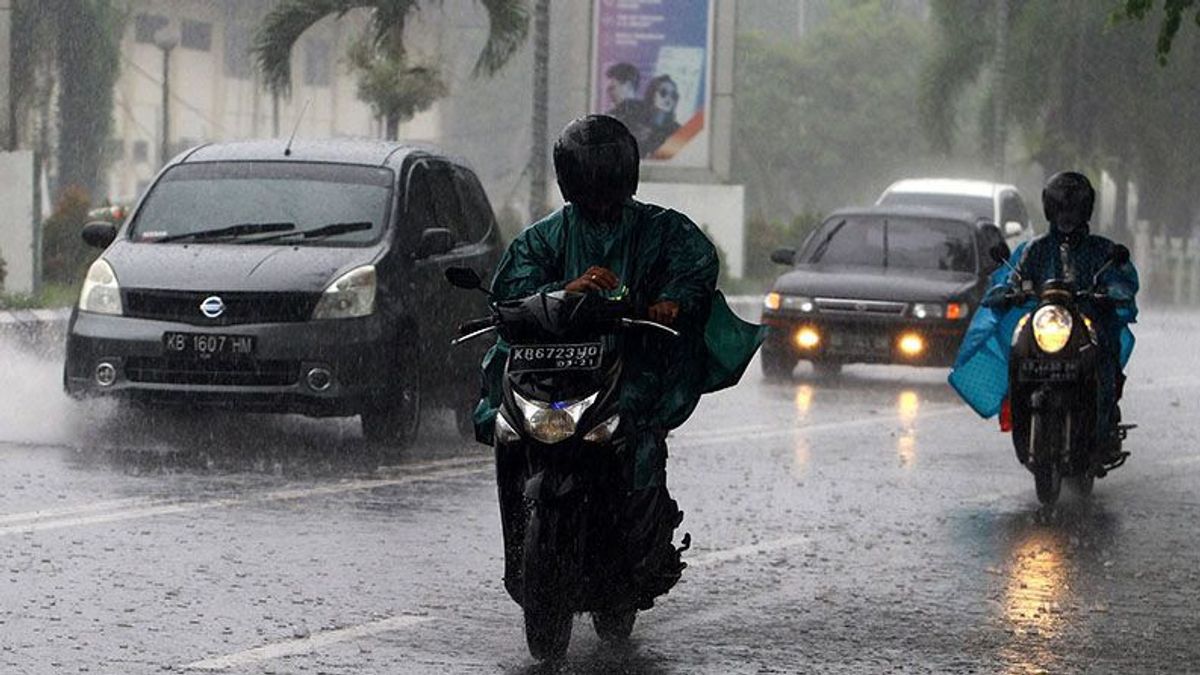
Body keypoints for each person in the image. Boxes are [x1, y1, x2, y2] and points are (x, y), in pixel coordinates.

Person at [474, 114, 763, 605]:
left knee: (638, 436)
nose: (598, 185)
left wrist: (672, 300)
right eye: (589, 173)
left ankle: (642, 545)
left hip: (630, 365)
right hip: (551, 371)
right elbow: (513, 292)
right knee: (508, 424)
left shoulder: (660, 230)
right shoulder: (545, 238)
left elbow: (694, 264)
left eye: (606, 173)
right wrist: (566, 290)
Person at [951, 171, 1138, 463]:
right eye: (1061, 207)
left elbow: (1122, 280)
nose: (1067, 215)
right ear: (1049, 208)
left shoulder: (1102, 250)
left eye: (1073, 208)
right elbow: (1012, 279)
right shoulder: (1034, 249)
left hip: (1087, 322)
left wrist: (1111, 291)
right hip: (1047, 322)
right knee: (1019, 349)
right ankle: (1018, 410)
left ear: (1086, 209)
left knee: (1104, 358)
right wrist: (1008, 292)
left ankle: (1103, 421)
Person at [639, 74, 682, 157]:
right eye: (663, 93)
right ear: (652, 94)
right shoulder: (638, 124)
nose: (668, 99)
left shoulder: (678, 131)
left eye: (673, 95)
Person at [603, 63, 649, 131]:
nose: (609, 93)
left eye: (612, 88)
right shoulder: (611, 115)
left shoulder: (647, 114)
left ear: (628, 86)